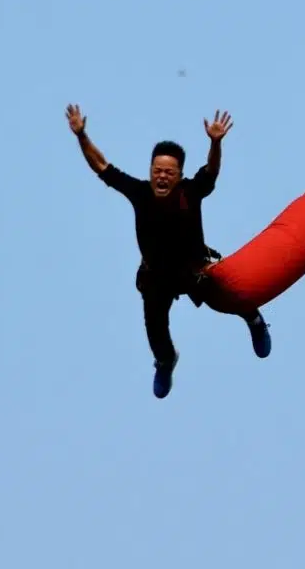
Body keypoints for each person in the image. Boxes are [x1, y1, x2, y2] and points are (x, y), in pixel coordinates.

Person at [66, 103, 271, 398]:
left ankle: (254, 320)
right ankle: (165, 361)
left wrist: (215, 142)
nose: (161, 177)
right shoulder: (139, 192)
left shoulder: (191, 191)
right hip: (157, 277)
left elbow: (211, 171)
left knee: (232, 292)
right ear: (150, 171)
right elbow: (102, 167)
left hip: (194, 269)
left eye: (168, 172)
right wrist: (82, 135)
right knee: (155, 331)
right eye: (157, 171)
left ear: (179, 175)